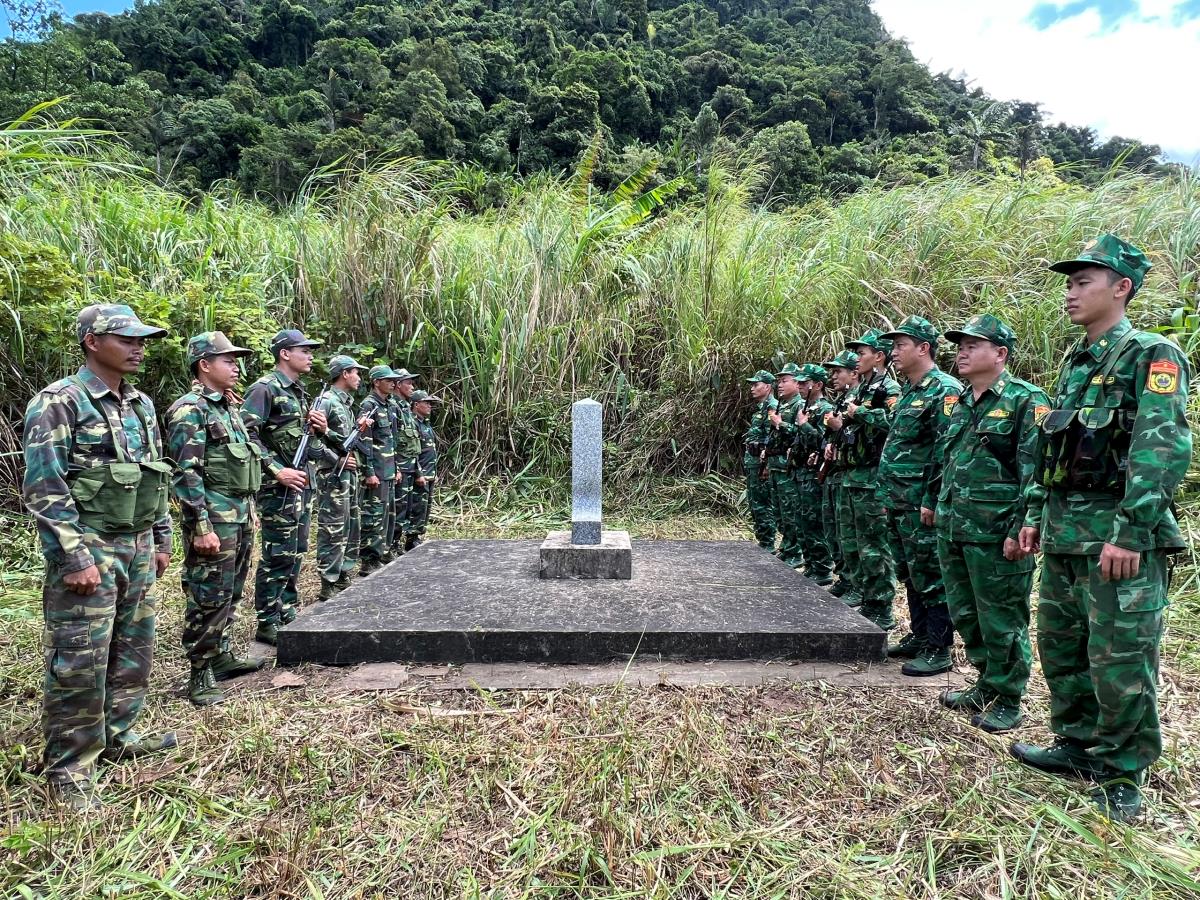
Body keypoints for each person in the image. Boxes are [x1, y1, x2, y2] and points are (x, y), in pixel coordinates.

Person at [1011, 235, 1192, 822]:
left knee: (1121, 657)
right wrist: (1037, 515)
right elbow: (1051, 452)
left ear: (1121, 288)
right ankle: (1076, 743)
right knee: (1062, 646)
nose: (1071, 291)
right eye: (1069, 281)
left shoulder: (1150, 354)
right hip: (1067, 532)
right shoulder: (1076, 364)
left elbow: (1160, 448)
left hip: (1117, 537)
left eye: (1084, 280)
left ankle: (1123, 770)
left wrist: (1132, 531)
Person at [23, 304, 175, 810]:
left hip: (134, 546)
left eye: (142, 339)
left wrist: (160, 537)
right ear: (92, 341)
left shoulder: (141, 405)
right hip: (91, 546)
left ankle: (120, 735)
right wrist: (74, 557)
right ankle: (70, 767)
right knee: (81, 660)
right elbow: (46, 488)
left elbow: (154, 473)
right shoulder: (60, 402)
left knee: (134, 649)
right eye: (126, 338)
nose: (138, 347)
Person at [930, 314, 1047, 732]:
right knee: (966, 613)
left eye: (971, 345)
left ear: (1000, 354)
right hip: (955, 527)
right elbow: (946, 461)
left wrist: (1021, 528)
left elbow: (1035, 473)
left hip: (997, 533)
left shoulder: (1026, 400)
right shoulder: (959, 400)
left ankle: (1010, 697)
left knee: (1003, 617)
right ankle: (986, 681)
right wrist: (934, 505)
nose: (961, 352)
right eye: (959, 345)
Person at [166, 332, 267, 707]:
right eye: (227, 359)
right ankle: (200, 669)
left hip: (238, 515)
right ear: (204, 365)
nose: (236, 365)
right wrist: (201, 526)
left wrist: (251, 513)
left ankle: (221, 654)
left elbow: (242, 464)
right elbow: (186, 473)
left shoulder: (228, 408)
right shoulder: (190, 409)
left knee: (232, 590)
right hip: (214, 520)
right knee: (208, 593)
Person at [876, 316, 962, 676]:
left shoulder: (944, 389)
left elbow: (946, 450)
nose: (893, 352)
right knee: (910, 570)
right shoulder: (910, 390)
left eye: (900, 345)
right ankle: (920, 634)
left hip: (920, 503)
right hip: (898, 499)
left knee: (930, 572)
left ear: (924, 348)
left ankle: (939, 646)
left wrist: (931, 498)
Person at [242, 329, 329, 645]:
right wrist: (277, 471)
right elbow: (246, 435)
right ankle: (267, 621)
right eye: (304, 349)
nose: (310, 355)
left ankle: (286, 608)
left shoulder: (298, 392)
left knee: (296, 550)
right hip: (278, 488)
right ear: (284, 354)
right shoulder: (265, 389)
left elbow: (307, 443)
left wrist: (320, 430)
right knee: (277, 553)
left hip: (302, 484)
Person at [826, 330, 900, 629]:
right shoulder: (861, 390)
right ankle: (865, 595)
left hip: (871, 476)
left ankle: (881, 606)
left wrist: (860, 415)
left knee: (874, 545)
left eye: (862, 353)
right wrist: (837, 427)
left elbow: (896, 423)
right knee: (852, 541)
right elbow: (849, 425)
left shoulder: (889, 388)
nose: (857, 359)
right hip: (851, 473)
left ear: (878, 356)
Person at [315, 355, 369, 600]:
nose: (359, 378)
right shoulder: (326, 401)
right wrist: (335, 459)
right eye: (356, 372)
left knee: (351, 523)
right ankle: (328, 581)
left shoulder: (346, 403)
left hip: (349, 474)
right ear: (345, 373)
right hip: (332, 474)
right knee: (332, 527)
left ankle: (344, 573)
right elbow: (312, 439)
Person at [820, 351, 861, 602]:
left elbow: (868, 438)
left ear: (853, 373)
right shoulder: (845, 400)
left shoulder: (861, 400)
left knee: (857, 539)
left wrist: (839, 430)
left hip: (857, 474)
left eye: (838, 372)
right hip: (840, 472)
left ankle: (860, 588)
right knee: (838, 532)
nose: (833, 377)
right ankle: (847, 580)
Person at [790, 364, 834, 584]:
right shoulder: (806, 407)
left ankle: (823, 569)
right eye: (797, 382)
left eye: (803, 383)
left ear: (817, 385)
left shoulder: (825, 408)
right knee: (802, 521)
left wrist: (804, 425)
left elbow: (823, 441)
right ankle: (811, 565)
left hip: (814, 475)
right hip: (801, 472)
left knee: (814, 521)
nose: (799, 386)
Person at [358, 365, 400, 575]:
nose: (393, 383)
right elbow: (365, 441)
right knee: (373, 515)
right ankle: (369, 559)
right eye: (388, 380)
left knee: (388, 514)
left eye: (394, 380)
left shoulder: (389, 405)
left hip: (389, 468)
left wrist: (397, 467)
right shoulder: (369, 405)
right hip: (377, 470)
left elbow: (392, 440)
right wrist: (369, 472)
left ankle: (384, 550)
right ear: (376, 382)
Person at [766, 363, 806, 568]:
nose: (780, 385)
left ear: (797, 382)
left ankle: (795, 551)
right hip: (776, 464)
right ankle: (788, 546)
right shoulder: (783, 404)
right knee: (780, 511)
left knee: (791, 511)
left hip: (788, 466)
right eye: (778, 381)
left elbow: (801, 433)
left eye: (784, 380)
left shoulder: (800, 405)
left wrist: (780, 423)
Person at [742, 370, 778, 550]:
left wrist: (766, 464)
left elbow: (772, 438)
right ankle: (764, 542)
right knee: (755, 504)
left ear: (768, 387)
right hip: (754, 462)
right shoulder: (761, 408)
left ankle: (768, 544)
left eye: (756, 385)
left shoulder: (772, 407)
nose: (752, 388)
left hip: (762, 464)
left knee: (763, 504)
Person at [390, 368, 423, 554]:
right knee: (398, 508)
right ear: (398, 384)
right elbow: (391, 441)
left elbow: (412, 443)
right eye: (408, 382)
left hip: (409, 466)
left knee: (406, 508)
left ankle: (398, 544)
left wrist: (417, 469)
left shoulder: (405, 409)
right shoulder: (393, 407)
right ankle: (392, 545)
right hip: (399, 467)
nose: (412, 386)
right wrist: (395, 467)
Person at [404, 389, 442, 549]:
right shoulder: (412, 423)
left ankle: (417, 534)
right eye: (426, 403)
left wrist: (434, 473)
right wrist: (419, 473)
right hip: (420, 473)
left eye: (430, 403)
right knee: (417, 506)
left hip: (429, 472)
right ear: (416, 404)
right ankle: (411, 538)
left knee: (425, 506)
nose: (429, 406)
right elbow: (413, 452)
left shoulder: (425, 424)